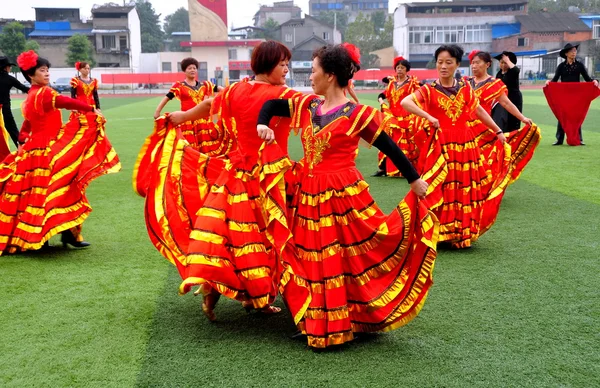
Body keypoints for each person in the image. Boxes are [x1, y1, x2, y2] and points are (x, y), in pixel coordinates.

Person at [257, 43, 438, 349]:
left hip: (342, 194)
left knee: (344, 256)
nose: (310, 75)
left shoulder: (359, 115)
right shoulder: (308, 105)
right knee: (312, 256)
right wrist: (263, 123)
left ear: (329, 75)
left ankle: (346, 319)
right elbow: (272, 106)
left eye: (313, 70)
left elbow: (389, 147)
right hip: (309, 191)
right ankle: (318, 319)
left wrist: (414, 179)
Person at [143, 41, 310, 323]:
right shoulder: (283, 95)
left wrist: (182, 116)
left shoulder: (236, 89)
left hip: (234, 177)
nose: (286, 69)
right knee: (266, 240)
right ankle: (257, 297)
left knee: (229, 240)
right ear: (268, 64)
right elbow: (316, 112)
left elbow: (209, 104)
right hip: (268, 181)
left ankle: (224, 292)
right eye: (282, 64)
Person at [0, 50, 120, 255]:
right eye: (42, 70)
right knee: (59, 187)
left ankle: (57, 234)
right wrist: (90, 109)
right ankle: (50, 236)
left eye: (47, 70)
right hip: (48, 149)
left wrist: (21, 141)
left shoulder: (30, 96)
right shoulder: (45, 93)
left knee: (44, 192)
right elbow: (67, 103)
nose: (47, 74)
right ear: (31, 74)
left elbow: (28, 124)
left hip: (32, 152)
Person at [402, 44, 513, 249]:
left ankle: (460, 233)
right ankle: (439, 230)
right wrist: (428, 116)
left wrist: (497, 131)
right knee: (441, 186)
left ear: (456, 65)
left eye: (448, 62)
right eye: (440, 62)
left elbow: (478, 110)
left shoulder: (465, 88)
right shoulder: (429, 89)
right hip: (441, 145)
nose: (443, 66)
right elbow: (406, 102)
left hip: (465, 145)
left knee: (463, 188)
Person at [467, 50, 540, 185]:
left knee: (483, 157)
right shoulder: (465, 82)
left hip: (483, 127)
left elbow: (506, 103)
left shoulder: (494, 83)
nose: (474, 66)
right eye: (472, 63)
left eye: (478, 63)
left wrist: (522, 118)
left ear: (487, 64)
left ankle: (485, 185)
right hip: (465, 127)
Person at [153, 58, 221, 152]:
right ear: (184, 71)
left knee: (205, 149)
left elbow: (220, 89)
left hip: (203, 122)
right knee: (189, 149)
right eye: (189, 68)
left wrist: (230, 93)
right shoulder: (179, 86)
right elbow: (167, 97)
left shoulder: (204, 85)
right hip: (187, 121)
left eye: (194, 68)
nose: (192, 70)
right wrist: (157, 112)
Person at [373, 56, 421, 177]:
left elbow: (420, 95)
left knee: (407, 143)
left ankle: (408, 169)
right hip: (393, 116)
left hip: (407, 117)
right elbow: (383, 94)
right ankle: (385, 168)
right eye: (398, 67)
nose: (399, 69)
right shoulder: (392, 83)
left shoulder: (412, 83)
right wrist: (380, 100)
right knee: (389, 141)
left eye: (402, 67)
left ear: (407, 69)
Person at [546, 43, 598, 146]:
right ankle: (559, 139)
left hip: (576, 96)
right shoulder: (561, 66)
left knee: (576, 116)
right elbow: (555, 80)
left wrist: (594, 81)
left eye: (575, 51)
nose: (574, 52)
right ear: (566, 53)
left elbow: (587, 79)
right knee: (562, 116)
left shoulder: (579, 65)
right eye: (572, 51)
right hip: (564, 96)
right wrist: (549, 83)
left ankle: (579, 139)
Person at [0, 56, 30, 147]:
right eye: (9, 66)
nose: (10, 68)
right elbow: (24, 88)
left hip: (3, 109)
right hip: (4, 110)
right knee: (13, 131)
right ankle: (22, 151)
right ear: (5, 67)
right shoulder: (9, 78)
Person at [493, 51, 523, 133]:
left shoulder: (512, 72)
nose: (502, 65)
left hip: (513, 98)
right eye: (501, 62)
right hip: (502, 99)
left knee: (513, 120)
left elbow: (516, 70)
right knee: (502, 120)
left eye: (505, 63)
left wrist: (508, 60)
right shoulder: (499, 74)